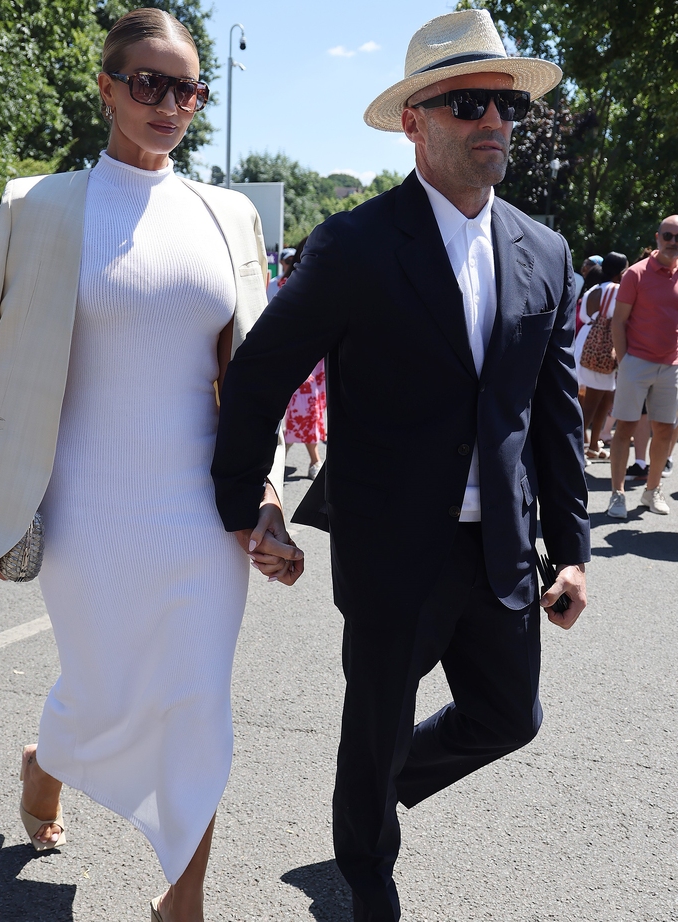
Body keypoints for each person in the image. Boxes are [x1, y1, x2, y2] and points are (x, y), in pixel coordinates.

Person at [211, 10, 590, 921]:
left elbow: (554, 412)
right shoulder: (358, 244)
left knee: (511, 718)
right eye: (469, 103)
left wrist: (571, 549)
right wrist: (242, 504)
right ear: (417, 119)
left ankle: (371, 796)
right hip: (392, 545)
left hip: (501, 542)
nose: (494, 122)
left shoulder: (545, 251)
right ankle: (365, 871)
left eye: (505, 105)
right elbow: (261, 373)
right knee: (375, 716)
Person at [0, 10, 296, 922]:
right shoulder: (40, 206)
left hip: (202, 514)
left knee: (195, 702)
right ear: (107, 87)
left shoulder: (228, 214)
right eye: (149, 84)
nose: (170, 104)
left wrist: (269, 502)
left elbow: (250, 381)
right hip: (86, 507)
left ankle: (184, 899)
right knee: (100, 689)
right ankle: (44, 762)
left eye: (187, 89)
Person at [606, 214, 678, 517]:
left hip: (671, 366)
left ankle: (651, 492)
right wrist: (626, 363)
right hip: (636, 362)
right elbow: (618, 322)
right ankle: (617, 493)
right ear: (657, 237)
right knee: (625, 428)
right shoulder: (635, 274)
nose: (673, 243)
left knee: (664, 431)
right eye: (668, 236)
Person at [280, 238, 327, 479]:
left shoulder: (325, 281)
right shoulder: (285, 284)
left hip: (317, 360)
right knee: (303, 410)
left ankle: (282, 455)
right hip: (294, 358)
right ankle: (314, 460)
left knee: (307, 411)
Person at [575, 251, 628, 459]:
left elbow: (583, 316)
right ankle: (578, 447)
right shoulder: (616, 290)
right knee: (593, 401)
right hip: (603, 349)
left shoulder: (594, 289)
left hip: (587, 343)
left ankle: (593, 444)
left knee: (604, 396)